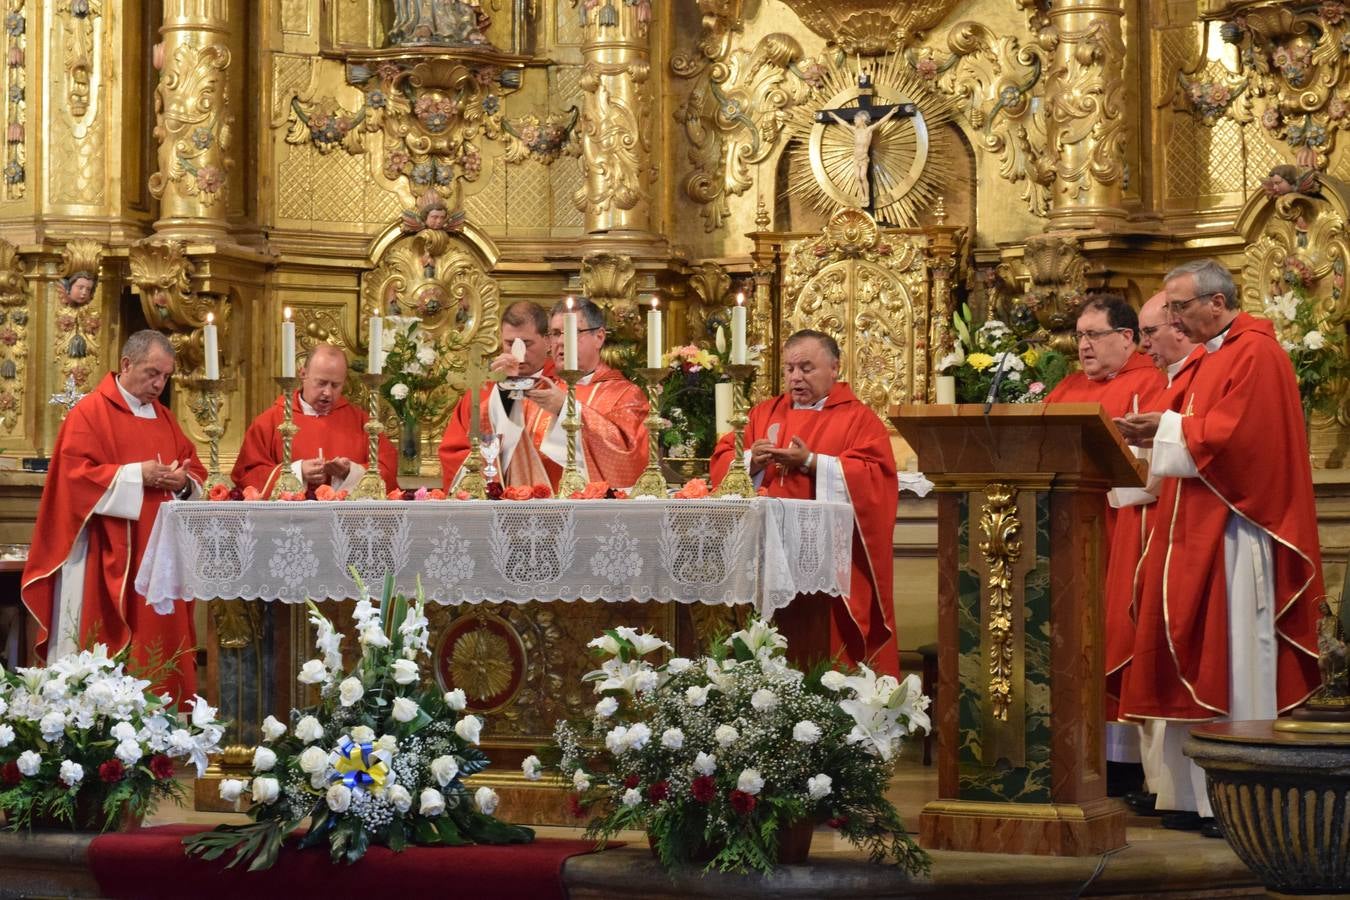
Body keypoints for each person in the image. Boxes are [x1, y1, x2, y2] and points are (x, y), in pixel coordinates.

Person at [1114, 259, 1322, 837]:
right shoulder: (1211, 357)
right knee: (1189, 649)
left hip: (1235, 528)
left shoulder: (1256, 353)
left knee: (1231, 657)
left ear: (1217, 302)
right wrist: (1161, 428)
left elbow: (1241, 439)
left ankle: (1235, 797)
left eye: (1179, 307)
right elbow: (1197, 430)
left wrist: (1166, 427)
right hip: (1192, 524)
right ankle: (1186, 794)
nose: (1174, 320)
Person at [21, 330, 206, 700]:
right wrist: (139, 475)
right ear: (126, 364)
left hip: (158, 558)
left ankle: (165, 716)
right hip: (105, 554)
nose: (159, 384)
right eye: (153, 373)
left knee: (159, 640)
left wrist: (182, 482)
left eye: (166, 376)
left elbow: (194, 470)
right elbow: (73, 478)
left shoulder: (165, 418)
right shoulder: (90, 413)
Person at [711, 330, 900, 677]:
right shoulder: (762, 414)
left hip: (823, 554)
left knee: (820, 638)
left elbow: (876, 477)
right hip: (764, 552)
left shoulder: (859, 419)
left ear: (834, 368)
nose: (796, 378)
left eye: (806, 368)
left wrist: (812, 462)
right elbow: (724, 458)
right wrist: (753, 460)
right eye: (789, 369)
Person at [1041, 295, 1164, 795]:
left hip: (1124, 534)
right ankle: (1074, 750)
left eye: (1094, 335)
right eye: (1080, 336)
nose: (1084, 345)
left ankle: (1123, 764)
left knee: (1117, 635)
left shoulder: (1151, 384)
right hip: (1069, 537)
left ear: (1128, 337)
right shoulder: (1068, 387)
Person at [232, 343, 398, 496]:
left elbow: (386, 471)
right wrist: (297, 472)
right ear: (303, 374)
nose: (328, 392)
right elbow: (247, 475)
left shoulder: (364, 424)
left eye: (335, 385)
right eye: (321, 383)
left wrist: (350, 472)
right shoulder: (270, 421)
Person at [440, 301, 558, 489]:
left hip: (547, 498)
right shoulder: (483, 389)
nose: (518, 353)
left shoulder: (561, 389)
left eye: (527, 343)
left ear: (548, 341)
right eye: (510, 343)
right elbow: (454, 451)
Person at [826, 106, 900, 207]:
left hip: (864, 158)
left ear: (862, 119)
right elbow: (844, 124)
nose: (854, 121)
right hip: (856, 158)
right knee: (857, 177)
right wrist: (834, 116)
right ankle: (861, 196)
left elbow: (881, 122)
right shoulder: (855, 130)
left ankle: (867, 197)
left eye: (856, 119)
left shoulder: (868, 130)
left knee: (862, 176)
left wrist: (892, 112)